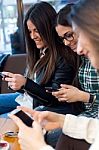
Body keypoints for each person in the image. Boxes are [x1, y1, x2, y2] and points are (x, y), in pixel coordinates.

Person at [9, 0, 99, 150]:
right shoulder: (78, 58)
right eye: (29, 32)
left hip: (83, 112)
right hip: (84, 114)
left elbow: (52, 97)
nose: (78, 49)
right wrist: (63, 121)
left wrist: (83, 97)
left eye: (70, 35)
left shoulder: (64, 57)